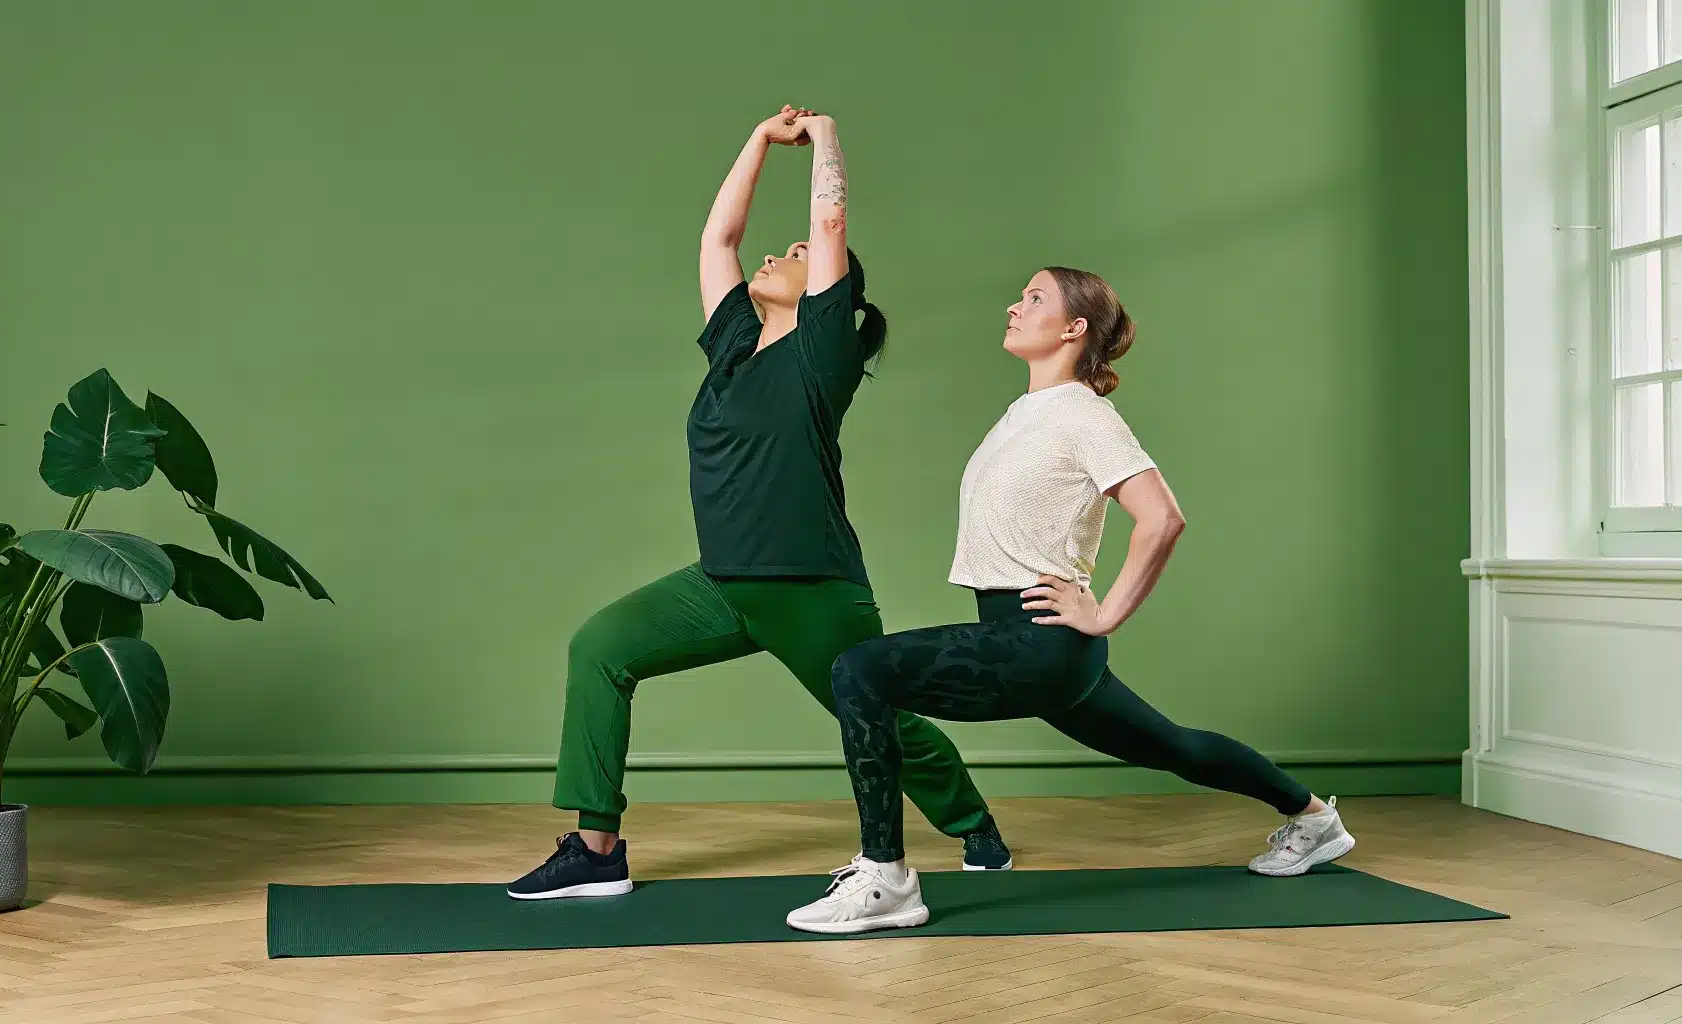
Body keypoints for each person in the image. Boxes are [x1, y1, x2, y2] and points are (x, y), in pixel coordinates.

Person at [508, 108, 1012, 901]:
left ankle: (973, 823)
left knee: (877, 719)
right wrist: (755, 141)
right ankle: (596, 847)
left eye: (799, 254)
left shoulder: (822, 352)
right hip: (721, 581)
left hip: (808, 586)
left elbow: (831, 214)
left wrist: (825, 137)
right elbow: (718, 241)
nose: (780, 253)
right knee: (599, 647)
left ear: (826, 292)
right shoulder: (734, 346)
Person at [785, 267, 1354, 934]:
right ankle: (1315, 817)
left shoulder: (1086, 416)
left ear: (1074, 328)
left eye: (1034, 299)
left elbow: (1162, 517)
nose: (1014, 306)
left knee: (861, 670)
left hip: (1037, 642)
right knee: (1174, 747)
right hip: (1039, 647)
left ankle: (885, 877)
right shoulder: (1026, 413)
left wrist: (1105, 613)